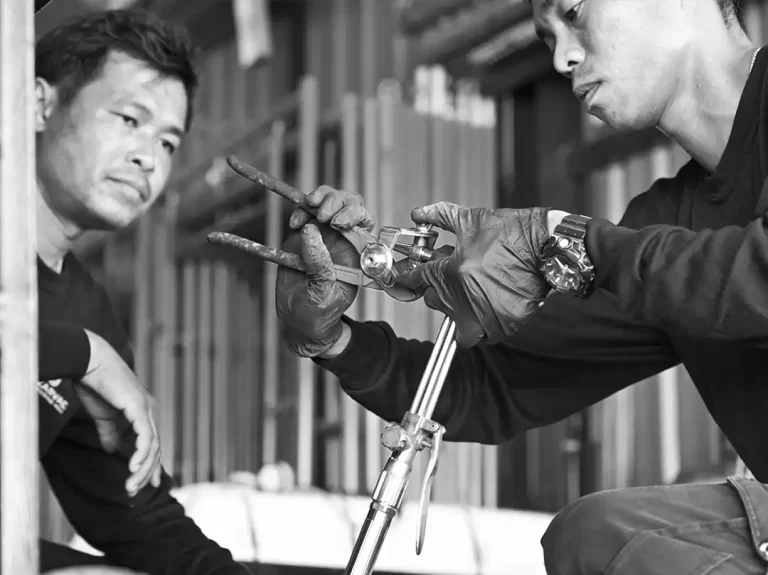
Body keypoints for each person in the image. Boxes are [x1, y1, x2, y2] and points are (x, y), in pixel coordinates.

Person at [273, 0, 768, 573]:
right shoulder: (663, 226)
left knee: (605, 535)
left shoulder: (619, 250)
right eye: (546, 35)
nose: (561, 57)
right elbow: (494, 386)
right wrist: (334, 340)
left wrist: (568, 241)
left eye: (575, 12)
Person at [31, 8, 250, 574]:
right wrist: (84, 354)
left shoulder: (84, 307)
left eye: (168, 143)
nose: (148, 158)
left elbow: (136, 513)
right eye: (129, 119)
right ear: (39, 104)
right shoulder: (86, 336)